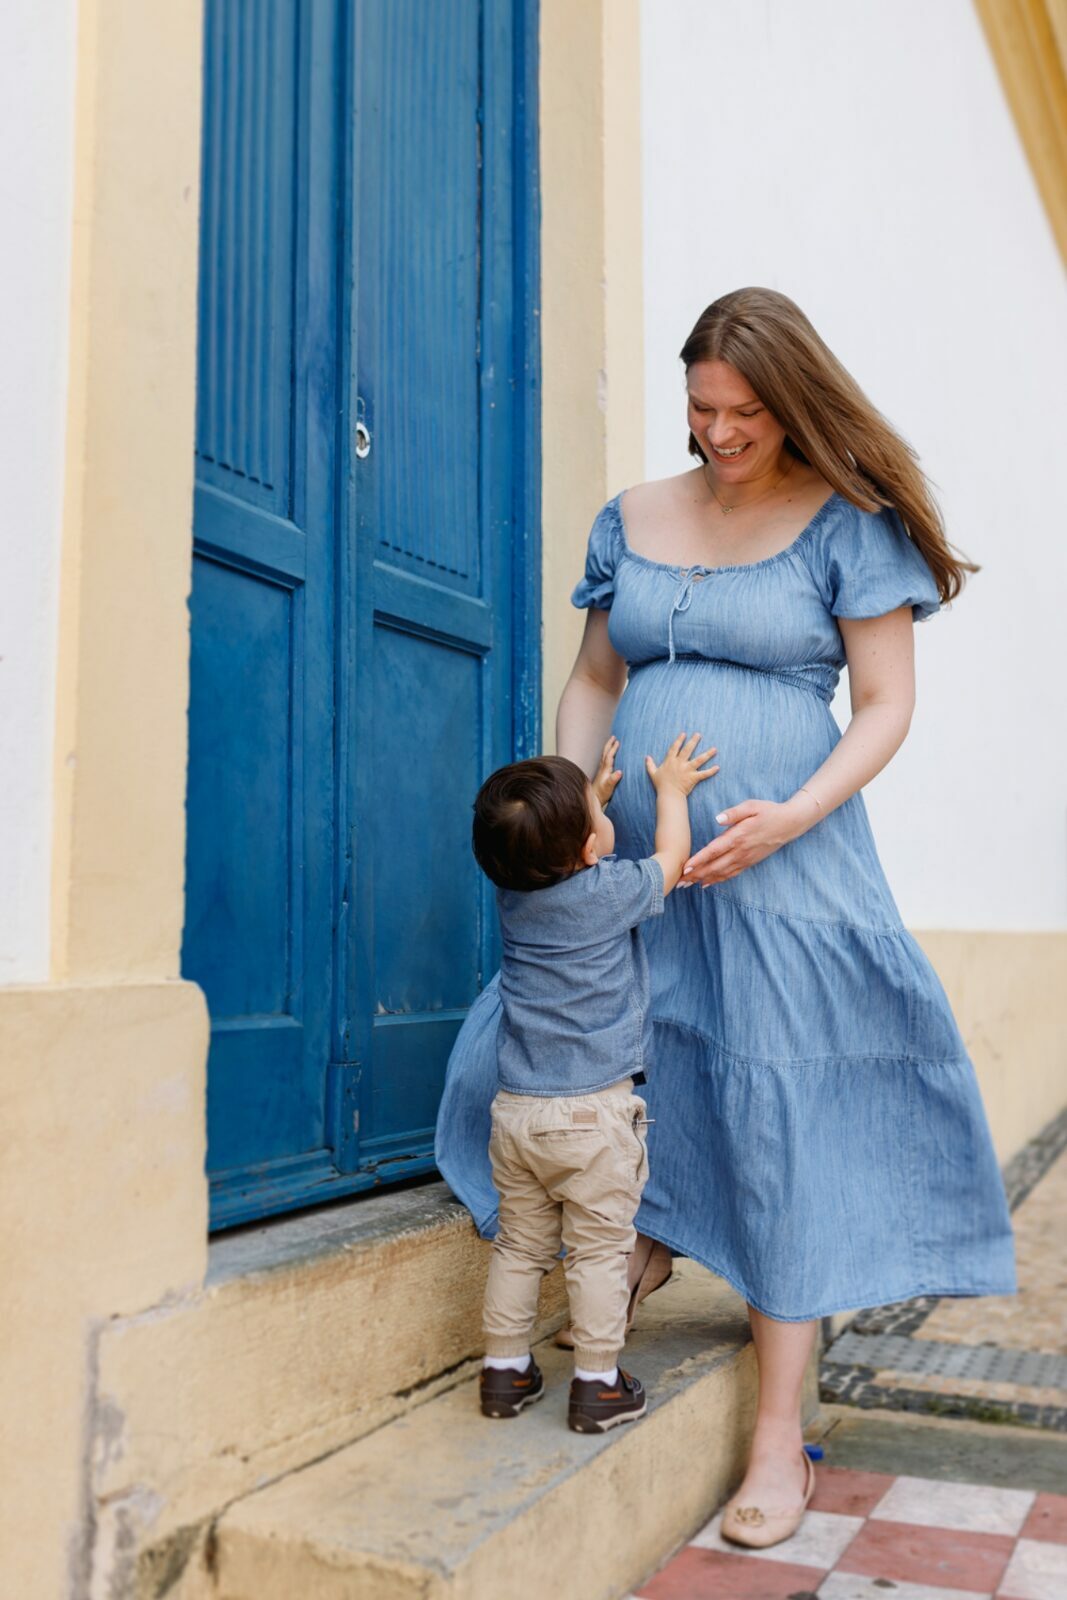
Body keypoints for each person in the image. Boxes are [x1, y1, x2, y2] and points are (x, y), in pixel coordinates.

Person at [438, 287, 1015, 1544]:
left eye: (743, 411)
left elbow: (882, 703)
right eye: (700, 407)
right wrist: (575, 808)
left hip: (778, 864)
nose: (717, 432)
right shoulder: (635, 516)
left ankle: (775, 1436)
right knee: (625, 1053)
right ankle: (644, 1232)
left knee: (773, 1104)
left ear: (791, 400)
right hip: (634, 861)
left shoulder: (844, 523)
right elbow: (596, 676)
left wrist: (789, 813)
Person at [475, 734, 717, 1433]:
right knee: (599, 1253)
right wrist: (671, 792)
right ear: (588, 850)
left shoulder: (512, 895)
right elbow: (671, 860)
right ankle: (597, 1383)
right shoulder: (609, 893)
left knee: (520, 1247)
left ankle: (503, 1372)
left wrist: (589, 810)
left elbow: (550, 857)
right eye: (595, 815)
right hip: (592, 1120)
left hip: (516, 1114)